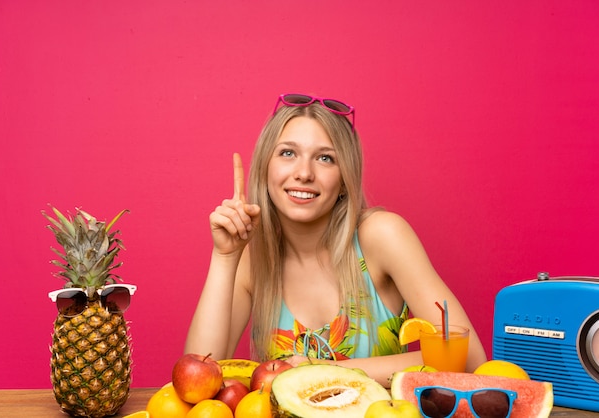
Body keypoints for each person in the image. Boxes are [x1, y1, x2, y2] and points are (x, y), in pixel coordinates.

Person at [185, 93, 487, 387]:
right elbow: (195, 382)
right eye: (288, 153)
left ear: (344, 180)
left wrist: (320, 369)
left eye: (325, 158)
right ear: (266, 168)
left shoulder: (382, 236)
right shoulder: (255, 259)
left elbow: (469, 359)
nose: (304, 173)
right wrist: (225, 257)